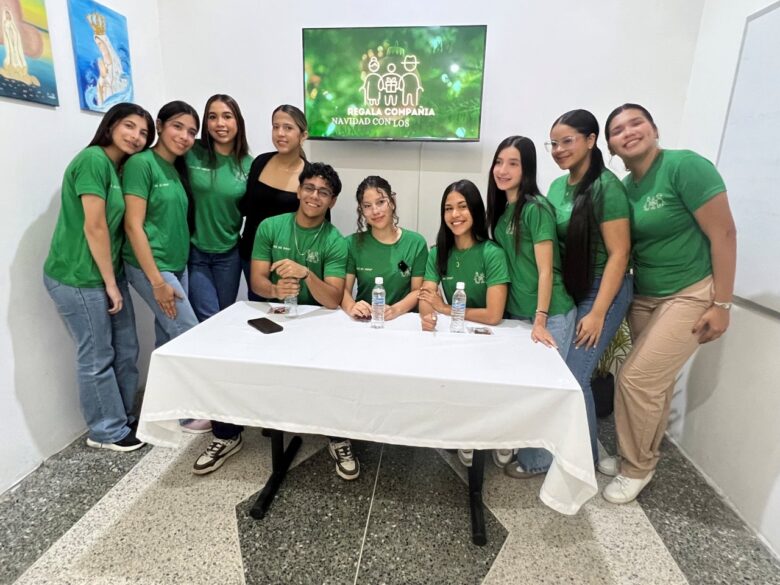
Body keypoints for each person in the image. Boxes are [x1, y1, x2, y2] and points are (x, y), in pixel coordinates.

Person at [600, 103, 736, 504]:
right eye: (618, 129)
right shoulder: (625, 189)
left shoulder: (685, 167)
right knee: (654, 385)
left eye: (636, 123)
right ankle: (638, 454)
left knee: (636, 379)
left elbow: (725, 233)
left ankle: (636, 468)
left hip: (691, 293)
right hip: (645, 296)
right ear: (610, 145)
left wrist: (722, 304)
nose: (628, 132)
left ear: (654, 128)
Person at [192, 163, 354, 478]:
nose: (314, 196)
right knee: (229, 357)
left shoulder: (336, 240)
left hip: (319, 320)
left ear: (332, 201)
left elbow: (333, 299)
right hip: (275, 316)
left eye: (324, 193)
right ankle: (227, 434)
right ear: (299, 190)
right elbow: (257, 282)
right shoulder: (270, 227)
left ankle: (338, 436)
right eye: (309, 188)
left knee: (339, 366)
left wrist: (306, 274)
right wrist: (276, 288)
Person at [44, 102, 154, 452]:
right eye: (130, 126)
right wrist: (109, 282)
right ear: (111, 125)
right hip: (78, 277)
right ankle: (105, 430)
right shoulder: (93, 160)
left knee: (126, 347)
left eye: (143, 133)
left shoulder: (115, 168)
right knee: (96, 355)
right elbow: (94, 227)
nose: (137, 137)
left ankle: (120, 415)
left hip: (104, 274)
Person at [544, 110, 632, 470]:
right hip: (572, 288)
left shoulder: (607, 188)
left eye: (567, 141)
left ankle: (582, 462)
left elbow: (619, 253)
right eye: (553, 143)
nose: (559, 149)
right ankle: (564, 446)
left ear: (591, 140)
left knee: (574, 373)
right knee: (559, 369)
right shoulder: (556, 186)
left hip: (602, 290)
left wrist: (598, 313)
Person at [485, 135, 576, 478]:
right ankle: (516, 443)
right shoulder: (505, 208)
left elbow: (544, 269)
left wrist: (540, 320)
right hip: (519, 313)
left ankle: (539, 460)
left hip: (551, 315)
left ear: (527, 169)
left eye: (513, 163)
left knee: (545, 390)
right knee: (520, 384)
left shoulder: (536, 208)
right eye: (499, 162)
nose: (503, 170)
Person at [122, 100, 210, 433]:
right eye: (178, 127)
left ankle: (161, 406)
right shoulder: (141, 165)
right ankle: (188, 412)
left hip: (178, 263)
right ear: (159, 125)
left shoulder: (177, 168)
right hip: (153, 267)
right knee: (187, 332)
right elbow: (133, 225)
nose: (185, 137)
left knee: (166, 337)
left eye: (191, 132)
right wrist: (157, 280)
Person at [418, 179, 510, 468]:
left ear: (476, 211)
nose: (455, 215)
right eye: (448, 208)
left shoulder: (492, 253)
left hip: (492, 334)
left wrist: (444, 308)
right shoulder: (438, 252)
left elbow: (494, 314)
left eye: (462, 207)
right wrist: (427, 315)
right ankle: (466, 432)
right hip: (457, 331)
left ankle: (500, 435)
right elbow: (426, 295)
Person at [186, 94, 251, 322]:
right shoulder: (191, 152)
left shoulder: (248, 164)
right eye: (212, 117)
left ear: (237, 122)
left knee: (223, 319)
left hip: (229, 255)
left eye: (227, 116)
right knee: (207, 319)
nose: (220, 123)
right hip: (195, 252)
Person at [239, 105, 310, 301]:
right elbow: (247, 207)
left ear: (303, 135)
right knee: (261, 318)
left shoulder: (309, 176)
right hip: (252, 257)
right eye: (275, 126)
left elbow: (316, 224)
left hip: (287, 263)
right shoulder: (260, 162)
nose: (280, 133)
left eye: (288, 128)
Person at [341, 175, 427, 320]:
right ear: (361, 210)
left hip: (403, 320)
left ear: (392, 202)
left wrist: (395, 310)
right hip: (366, 320)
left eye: (380, 202)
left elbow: (417, 291)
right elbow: (343, 290)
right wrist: (351, 306)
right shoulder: (352, 244)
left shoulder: (415, 243)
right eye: (367, 206)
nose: (375, 211)